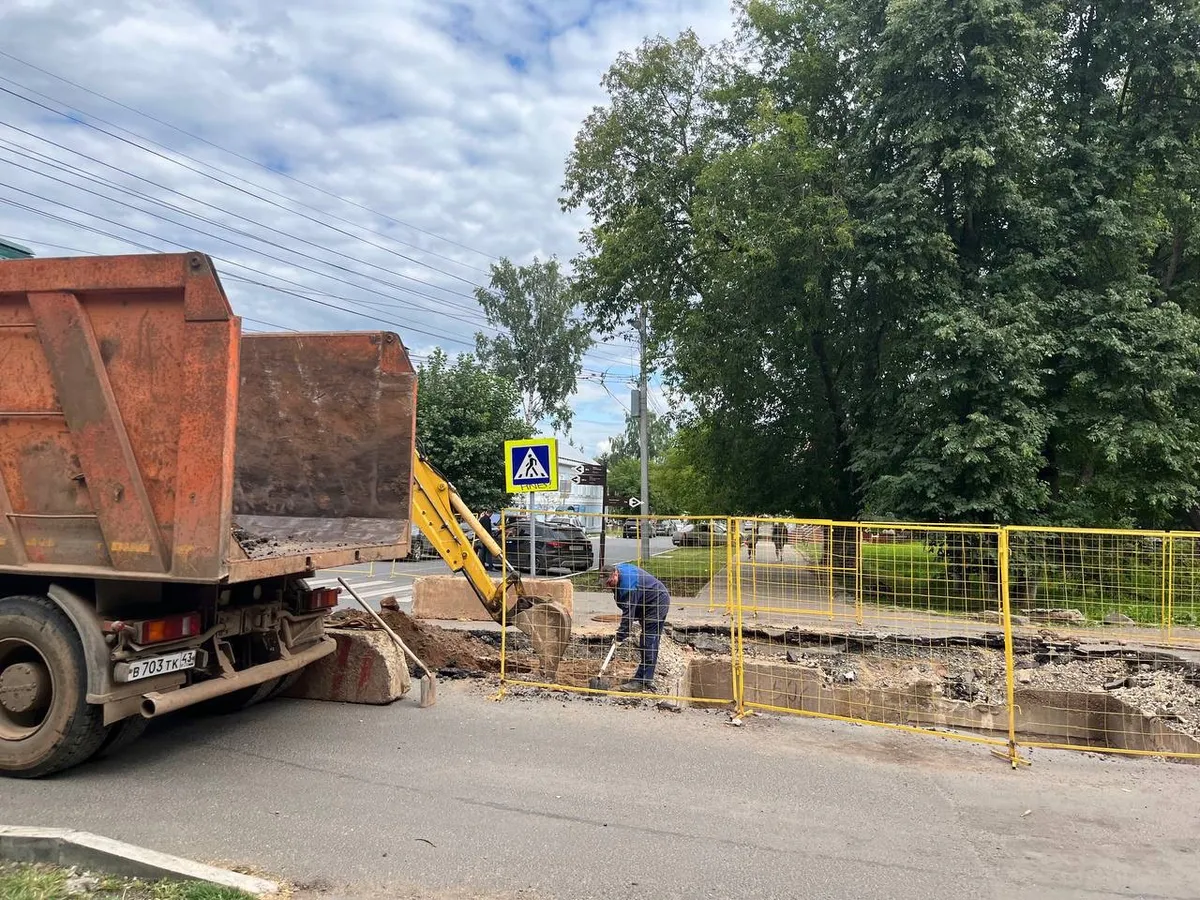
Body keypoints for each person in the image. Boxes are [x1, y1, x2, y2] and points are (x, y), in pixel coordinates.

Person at [601, 562, 671, 692]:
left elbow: (628, 617)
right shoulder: (620, 572)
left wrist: (620, 635)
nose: (608, 585)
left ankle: (642, 681)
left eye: (610, 582)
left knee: (648, 640)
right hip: (646, 602)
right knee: (650, 640)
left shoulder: (629, 586)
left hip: (656, 603)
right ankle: (646, 677)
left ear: (615, 573)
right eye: (606, 583)